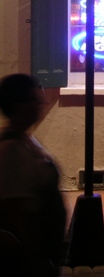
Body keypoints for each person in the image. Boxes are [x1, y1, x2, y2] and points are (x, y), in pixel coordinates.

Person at [0, 74, 66, 276]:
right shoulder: (11, 149)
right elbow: (15, 210)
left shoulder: (25, 140)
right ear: (20, 106)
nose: (40, 105)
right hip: (30, 259)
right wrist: (36, 258)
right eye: (35, 100)